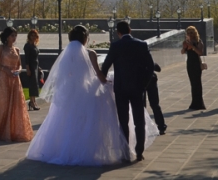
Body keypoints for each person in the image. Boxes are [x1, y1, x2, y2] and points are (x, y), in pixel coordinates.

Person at [26, 25, 158, 166]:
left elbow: (67, 76)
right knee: (131, 120)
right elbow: (100, 73)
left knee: (75, 123)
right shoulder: (92, 53)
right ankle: (137, 151)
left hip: (76, 93)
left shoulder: (67, 55)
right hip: (111, 90)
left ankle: (75, 150)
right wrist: (108, 82)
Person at [99, 21, 157, 162]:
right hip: (138, 88)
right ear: (130, 30)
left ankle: (125, 152)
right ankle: (139, 152)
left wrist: (103, 79)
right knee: (139, 121)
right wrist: (144, 84)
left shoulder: (116, 46)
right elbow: (150, 66)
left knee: (123, 121)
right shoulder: (142, 44)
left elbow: (106, 65)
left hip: (121, 89)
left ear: (118, 32)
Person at [0, 26, 33, 142]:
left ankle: (14, 130)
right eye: (12, 35)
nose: (14, 38)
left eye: (15, 35)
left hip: (15, 79)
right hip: (4, 78)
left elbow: (20, 64)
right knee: (4, 103)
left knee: (16, 103)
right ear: (7, 36)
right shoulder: (1, 48)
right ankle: (1, 130)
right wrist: (5, 69)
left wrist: (19, 70)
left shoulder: (16, 49)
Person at [181, 25, 206, 110]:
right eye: (188, 33)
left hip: (197, 63)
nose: (190, 34)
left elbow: (200, 53)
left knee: (197, 83)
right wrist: (185, 47)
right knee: (192, 83)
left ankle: (199, 103)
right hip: (190, 64)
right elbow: (182, 52)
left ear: (195, 33)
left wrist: (193, 47)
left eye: (191, 33)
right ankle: (194, 102)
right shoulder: (186, 42)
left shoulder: (199, 41)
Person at [23, 29, 42, 111]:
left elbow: (36, 58)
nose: (33, 37)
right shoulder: (27, 46)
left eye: (35, 35)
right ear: (29, 36)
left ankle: (34, 101)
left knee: (35, 84)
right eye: (32, 35)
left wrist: (38, 67)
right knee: (32, 84)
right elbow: (26, 59)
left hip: (35, 66)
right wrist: (28, 69)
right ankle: (32, 102)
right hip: (31, 67)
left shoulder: (34, 45)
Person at [146, 63, 167, 135]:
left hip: (144, 81)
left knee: (151, 105)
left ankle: (161, 126)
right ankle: (161, 127)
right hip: (150, 80)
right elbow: (158, 68)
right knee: (155, 105)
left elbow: (158, 68)